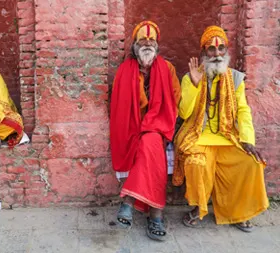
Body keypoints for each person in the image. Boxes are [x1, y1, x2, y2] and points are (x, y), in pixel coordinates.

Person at [173, 25, 269, 232]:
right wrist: (193, 84)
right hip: (197, 136)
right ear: (203, 52)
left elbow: (243, 111)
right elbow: (184, 113)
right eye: (211, 49)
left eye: (221, 49)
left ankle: (238, 212)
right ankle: (199, 209)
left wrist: (247, 140)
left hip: (227, 136)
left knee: (251, 163)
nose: (217, 54)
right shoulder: (192, 76)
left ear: (226, 51)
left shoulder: (235, 79)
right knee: (196, 163)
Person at [110, 21, 181, 241]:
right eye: (143, 40)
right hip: (132, 127)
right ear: (135, 44)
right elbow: (117, 104)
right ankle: (156, 215)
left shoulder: (167, 69)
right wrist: (139, 124)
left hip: (159, 126)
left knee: (151, 140)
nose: (147, 43)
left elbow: (175, 100)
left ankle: (129, 201)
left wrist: (155, 123)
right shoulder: (125, 70)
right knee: (149, 146)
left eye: (151, 40)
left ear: (157, 44)